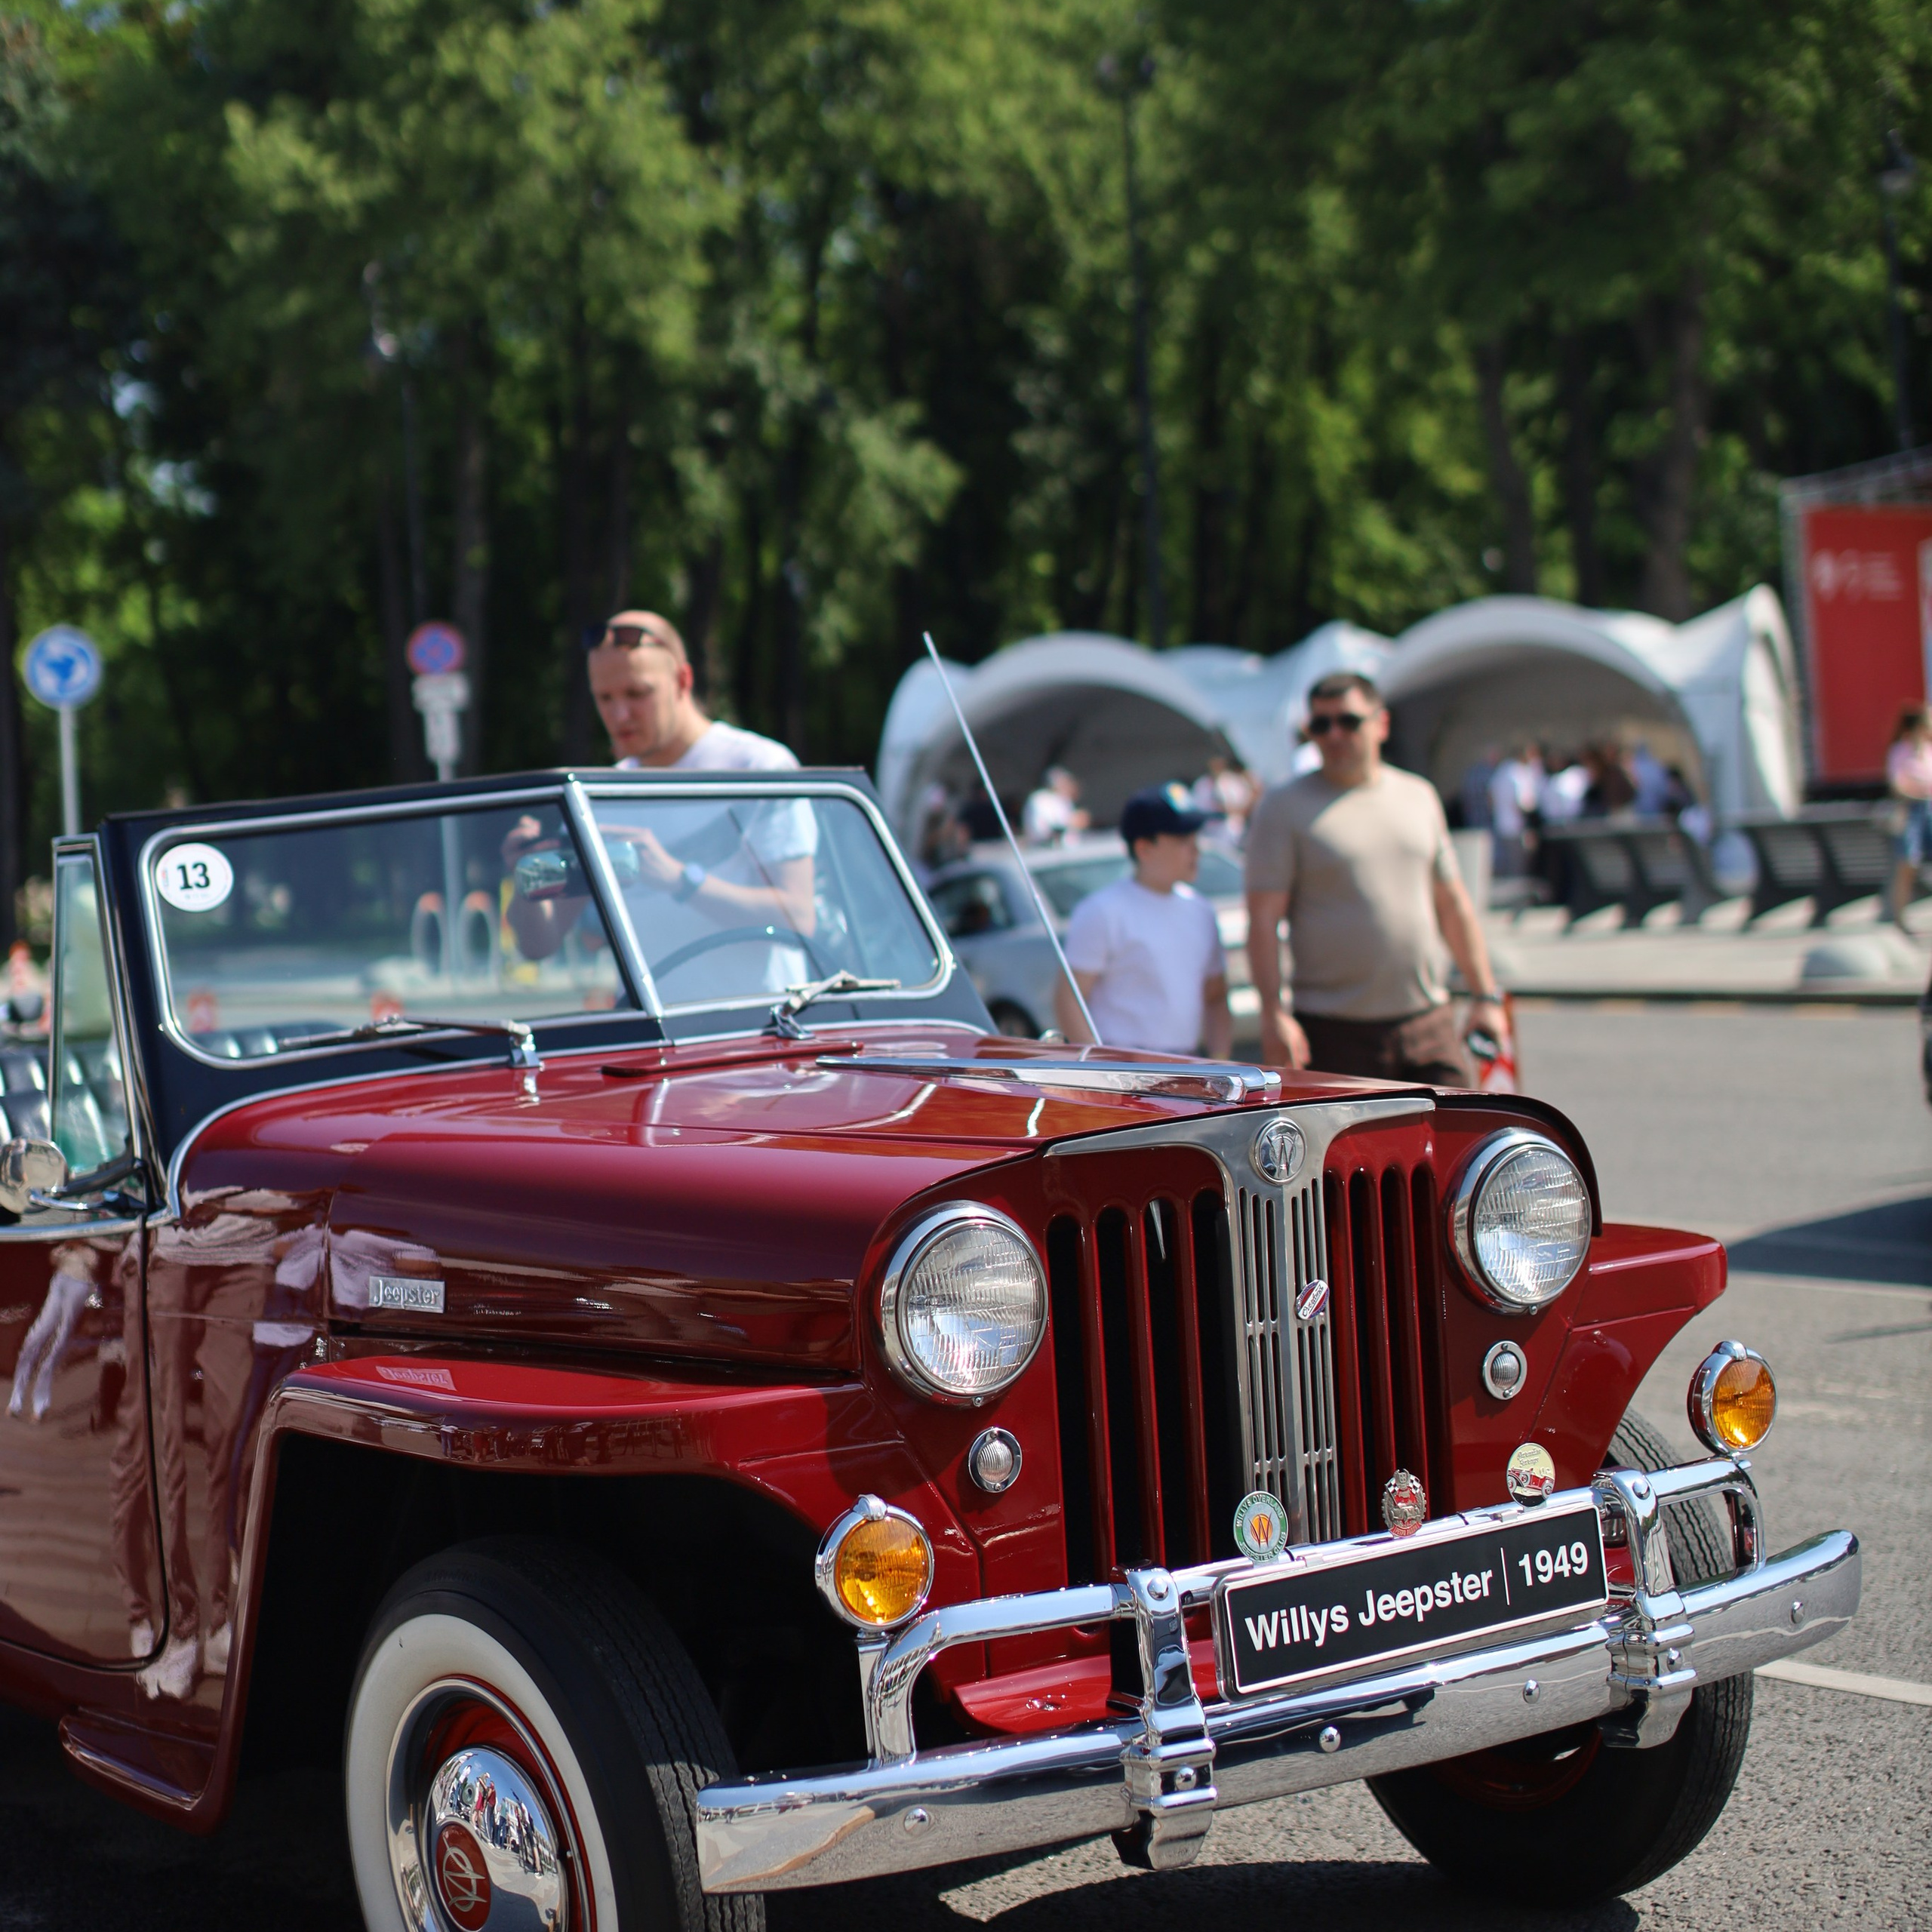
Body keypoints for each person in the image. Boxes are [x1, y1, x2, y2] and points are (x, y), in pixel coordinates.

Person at [505, 611, 814, 971]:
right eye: (604, 698)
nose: (620, 715)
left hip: (755, 1021)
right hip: (650, 1024)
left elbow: (799, 918)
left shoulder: (759, 767)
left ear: (682, 680)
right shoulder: (597, 796)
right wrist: (527, 877)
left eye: (637, 693)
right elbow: (538, 943)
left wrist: (682, 881)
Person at [1244, 672, 1506, 1085]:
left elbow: (1451, 903)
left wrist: (1485, 996)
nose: (1333, 735)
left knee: (1459, 1141)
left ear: (1380, 724)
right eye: (1320, 724)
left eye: (1348, 721)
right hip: (1334, 1031)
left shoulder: (1418, 795)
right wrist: (1273, 1014)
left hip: (1428, 1021)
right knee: (1352, 1153)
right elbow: (1262, 919)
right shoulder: (1284, 807)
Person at [1055, 784, 1231, 1057]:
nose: (1196, 849)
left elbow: (1216, 996)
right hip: (1125, 1064)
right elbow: (1070, 999)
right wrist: (1099, 1068)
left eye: (1196, 837)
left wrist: (1221, 1064)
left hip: (1187, 1064)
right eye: (1183, 840)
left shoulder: (1201, 911)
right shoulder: (1103, 911)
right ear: (1144, 849)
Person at [1886, 704, 1932, 928]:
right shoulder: (1901, 751)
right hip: (1913, 809)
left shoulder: (1929, 750)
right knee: (1907, 864)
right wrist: (1919, 790)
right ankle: (1900, 918)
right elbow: (1897, 786)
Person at [1023, 767, 1089, 845]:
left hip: (1066, 847)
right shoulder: (1039, 799)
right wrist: (1074, 821)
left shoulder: (1063, 800)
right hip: (1043, 847)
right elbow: (1051, 828)